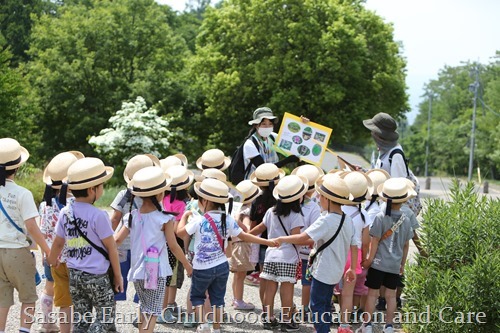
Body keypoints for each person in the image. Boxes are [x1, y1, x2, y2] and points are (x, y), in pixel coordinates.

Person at [177, 178, 276, 333]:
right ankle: (216, 328)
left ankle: (202, 324)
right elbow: (245, 236)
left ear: (205, 201)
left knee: (197, 296)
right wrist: (267, 242)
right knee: (217, 299)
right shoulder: (227, 219)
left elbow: (180, 232)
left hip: (202, 267)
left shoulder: (199, 220)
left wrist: (184, 216)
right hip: (222, 266)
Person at [275, 173, 358, 333]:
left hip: (323, 271)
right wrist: (352, 268)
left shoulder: (326, 220)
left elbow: (303, 237)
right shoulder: (347, 219)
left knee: (317, 305)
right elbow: (354, 245)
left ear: (327, 199)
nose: (318, 198)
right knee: (325, 303)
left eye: (320, 196)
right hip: (337, 271)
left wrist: (281, 238)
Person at [48, 157, 123, 333]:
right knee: (105, 317)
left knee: (82, 319)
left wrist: (52, 260)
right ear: (92, 189)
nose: (102, 188)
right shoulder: (99, 215)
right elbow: (111, 247)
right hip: (97, 275)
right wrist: (118, 276)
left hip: (74, 275)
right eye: (101, 185)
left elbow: (58, 242)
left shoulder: (66, 212)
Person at [114, 166, 193, 333]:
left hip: (137, 271)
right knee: (153, 311)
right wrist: (187, 265)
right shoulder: (164, 218)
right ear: (160, 194)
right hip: (155, 271)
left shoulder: (132, 216)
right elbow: (173, 245)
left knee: (144, 307)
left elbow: (117, 240)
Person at [0, 138, 51, 333]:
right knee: (28, 298)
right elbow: (31, 226)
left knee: (2, 299)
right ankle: (23, 330)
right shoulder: (22, 194)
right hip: (18, 252)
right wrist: (47, 250)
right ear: (17, 167)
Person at [249, 175, 308, 332]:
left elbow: (260, 229)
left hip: (270, 255)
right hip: (287, 258)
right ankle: (287, 321)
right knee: (286, 290)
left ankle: (268, 318)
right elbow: (296, 238)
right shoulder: (296, 215)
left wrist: (244, 237)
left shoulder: (271, 211)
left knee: (270, 289)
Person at [357, 178, 416, 333]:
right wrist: (402, 264)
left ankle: (367, 325)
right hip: (394, 264)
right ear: (403, 200)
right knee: (391, 296)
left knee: (372, 295)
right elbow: (405, 245)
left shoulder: (380, 217)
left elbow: (374, 241)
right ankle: (389, 326)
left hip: (378, 262)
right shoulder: (406, 220)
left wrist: (369, 260)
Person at [39, 151, 84, 333]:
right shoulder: (76, 203)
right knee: (73, 296)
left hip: (52, 256)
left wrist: (46, 254)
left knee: (49, 288)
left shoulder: (45, 205)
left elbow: (43, 231)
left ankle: (46, 323)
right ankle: (71, 326)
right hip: (75, 257)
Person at [110, 154, 160, 303]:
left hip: (123, 247)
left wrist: (106, 240)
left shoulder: (123, 195)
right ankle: (141, 313)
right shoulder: (155, 196)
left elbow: (114, 219)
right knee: (144, 282)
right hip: (146, 248)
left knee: (118, 279)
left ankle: (110, 315)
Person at [336, 171, 372, 333]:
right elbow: (365, 242)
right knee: (348, 293)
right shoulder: (364, 215)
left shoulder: (338, 210)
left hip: (336, 254)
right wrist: (364, 258)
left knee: (335, 290)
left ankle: (324, 319)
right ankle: (344, 324)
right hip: (354, 257)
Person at [160, 164, 194, 322]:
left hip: (160, 243)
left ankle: (164, 306)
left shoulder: (163, 199)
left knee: (164, 277)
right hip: (175, 245)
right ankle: (165, 309)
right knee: (170, 278)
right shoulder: (182, 205)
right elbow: (176, 229)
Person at [247, 163, 285, 306]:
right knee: (285, 281)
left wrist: (246, 237)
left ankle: (265, 308)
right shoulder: (283, 199)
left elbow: (254, 225)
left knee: (265, 278)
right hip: (284, 243)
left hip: (264, 243)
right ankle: (287, 310)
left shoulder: (257, 201)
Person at [290, 165, 323, 316]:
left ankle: (288, 307)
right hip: (306, 250)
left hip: (290, 248)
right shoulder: (314, 208)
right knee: (306, 281)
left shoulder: (290, 203)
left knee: (289, 280)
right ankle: (304, 309)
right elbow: (316, 232)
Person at [243, 107, 301, 179]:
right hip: (255, 186)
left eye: (270, 124)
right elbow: (264, 171)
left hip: (274, 181)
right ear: (256, 125)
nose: (267, 127)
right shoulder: (250, 144)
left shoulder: (273, 137)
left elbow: (296, 142)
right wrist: (288, 160)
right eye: (264, 124)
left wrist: (302, 124)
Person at [230, 180, 261, 311]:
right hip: (242, 244)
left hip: (234, 243)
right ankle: (239, 300)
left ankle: (235, 298)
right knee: (241, 274)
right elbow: (247, 229)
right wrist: (239, 221)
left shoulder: (235, 208)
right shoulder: (246, 211)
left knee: (237, 274)